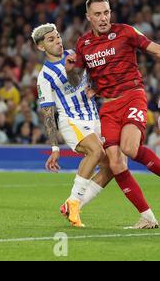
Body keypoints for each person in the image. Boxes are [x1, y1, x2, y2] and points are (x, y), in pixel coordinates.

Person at [65, 0, 160, 229]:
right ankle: (147, 217)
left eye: (106, 12)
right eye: (97, 14)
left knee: (129, 148)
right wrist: (72, 68)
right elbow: (76, 79)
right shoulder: (83, 45)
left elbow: (156, 50)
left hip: (133, 95)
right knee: (115, 164)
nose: (103, 18)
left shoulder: (125, 32)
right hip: (108, 107)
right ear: (88, 17)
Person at [32, 23, 114, 227]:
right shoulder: (44, 77)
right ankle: (75, 203)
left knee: (111, 166)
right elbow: (48, 113)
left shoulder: (76, 54)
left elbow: (94, 78)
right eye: (51, 40)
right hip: (71, 121)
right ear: (41, 47)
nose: (57, 41)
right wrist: (54, 147)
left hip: (94, 118)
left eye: (58, 36)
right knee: (95, 152)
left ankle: (72, 204)